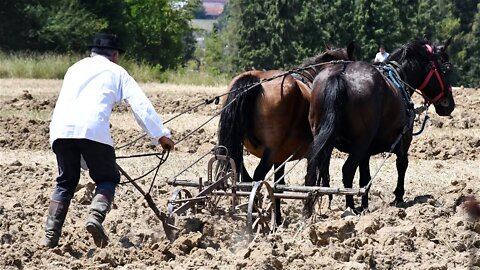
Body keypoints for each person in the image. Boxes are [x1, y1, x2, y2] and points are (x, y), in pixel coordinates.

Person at [42, 33, 175, 248]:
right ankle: (95, 217)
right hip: (93, 130)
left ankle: (50, 236)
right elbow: (140, 105)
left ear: (92, 52)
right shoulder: (117, 71)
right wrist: (160, 135)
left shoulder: (73, 69)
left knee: (66, 182)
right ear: (114, 55)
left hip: (60, 131)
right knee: (107, 178)